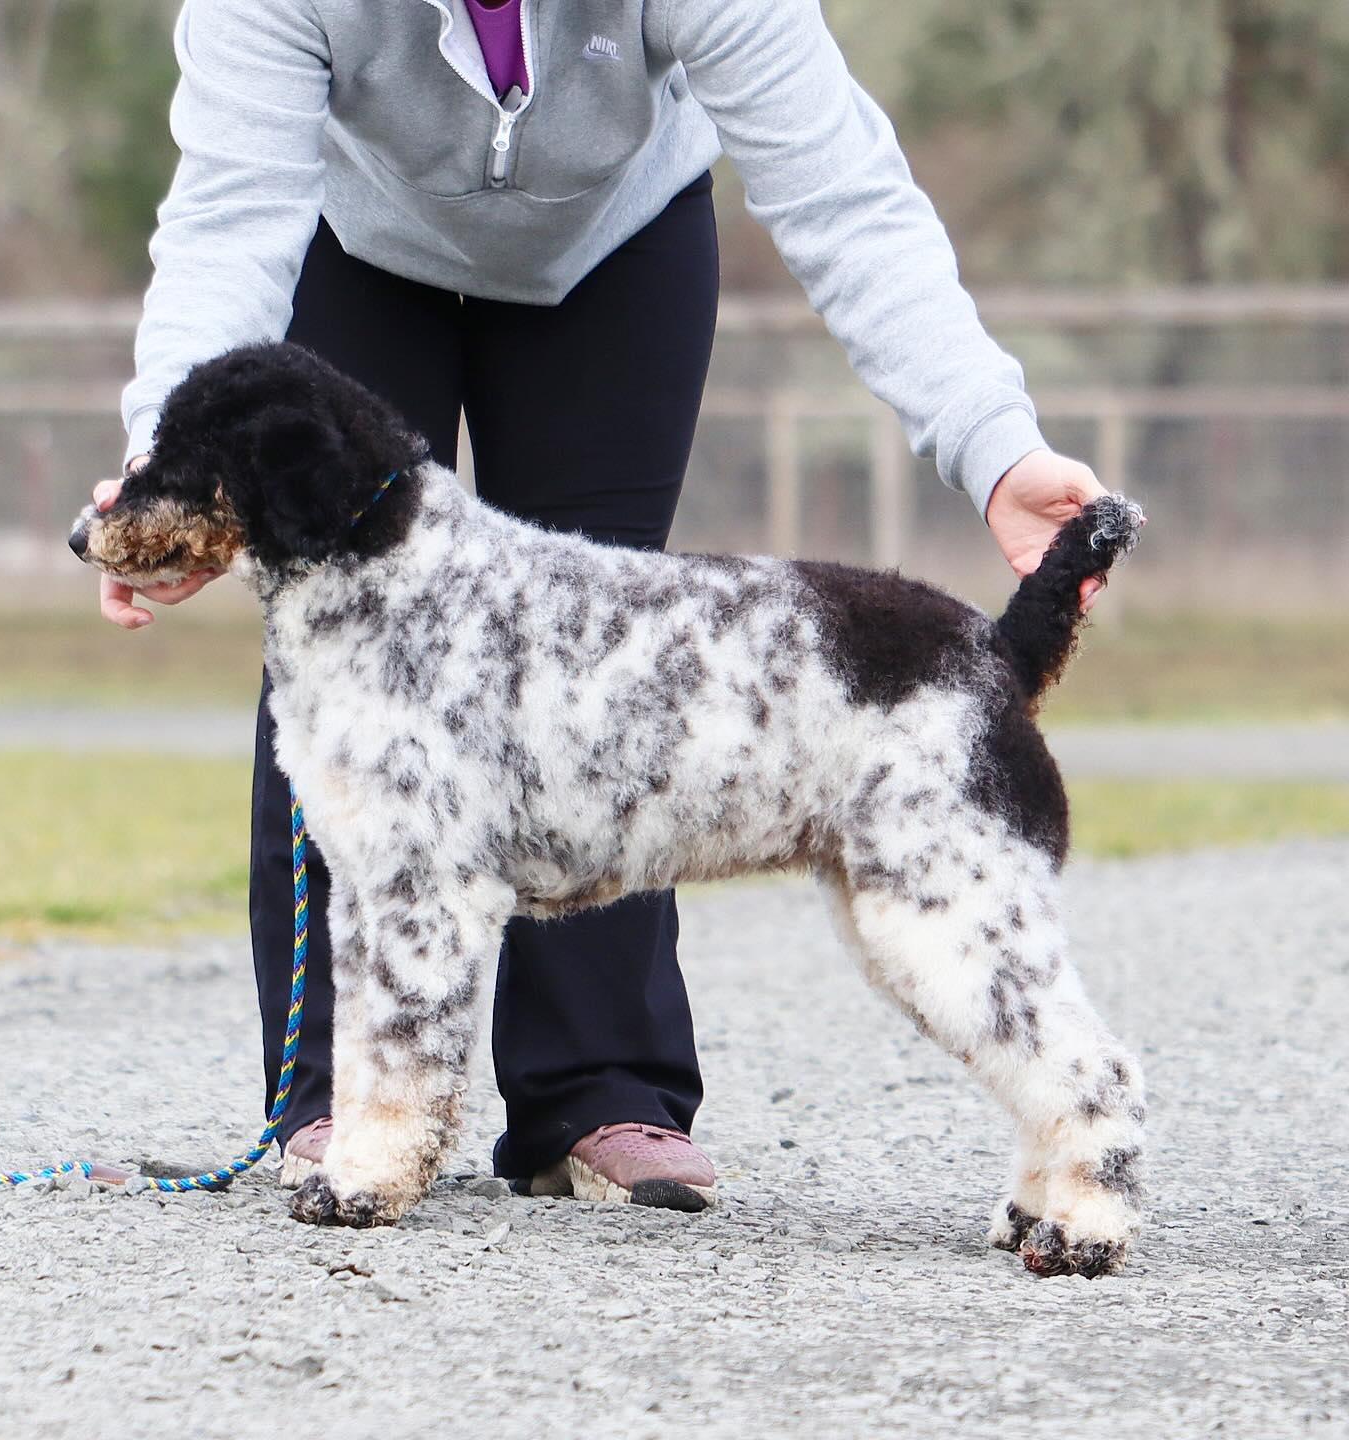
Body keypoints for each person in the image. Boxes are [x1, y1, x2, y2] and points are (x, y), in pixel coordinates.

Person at [92, 0, 1112, 1212]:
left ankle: (598, 1092)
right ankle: (339, 1110)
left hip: (613, 247)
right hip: (354, 236)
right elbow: (222, 221)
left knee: (627, 667)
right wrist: (165, 475)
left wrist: (995, 449)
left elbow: (847, 193)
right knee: (338, 638)